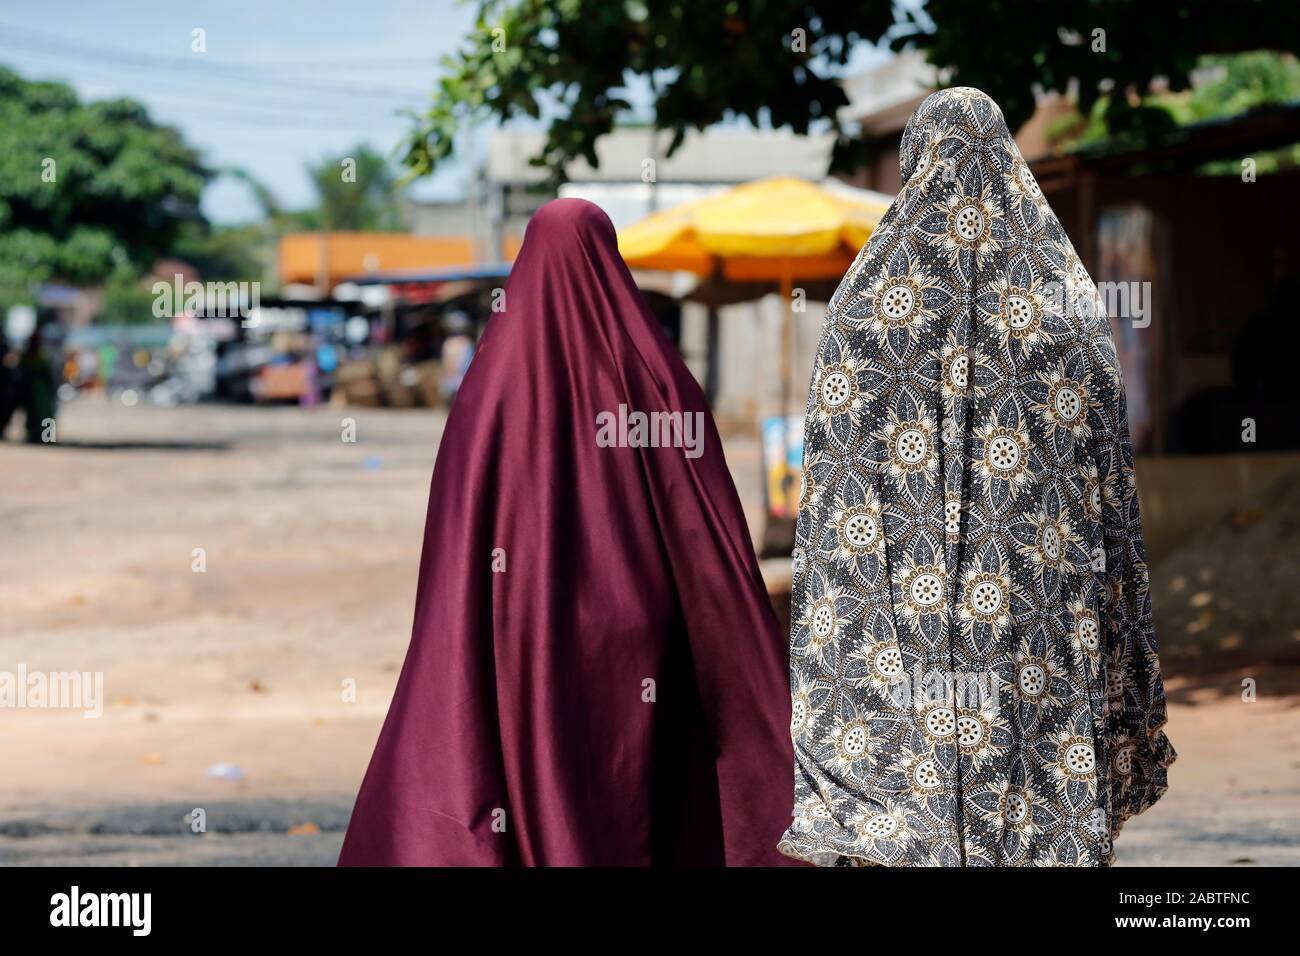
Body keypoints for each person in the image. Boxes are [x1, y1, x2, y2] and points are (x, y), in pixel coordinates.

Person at [781, 88, 1175, 866]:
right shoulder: (1066, 312)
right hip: (1038, 621)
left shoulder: (862, 313)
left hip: (897, 632)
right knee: (1034, 821)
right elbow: (1113, 502)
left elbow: (829, 515)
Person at [339, 198, 796, 866]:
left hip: (515, 623)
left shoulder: (487, 390)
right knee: (630, 785)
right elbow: (706, 532)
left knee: (529, 763)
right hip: (640, 630)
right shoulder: (659, 380)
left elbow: (458, 537)